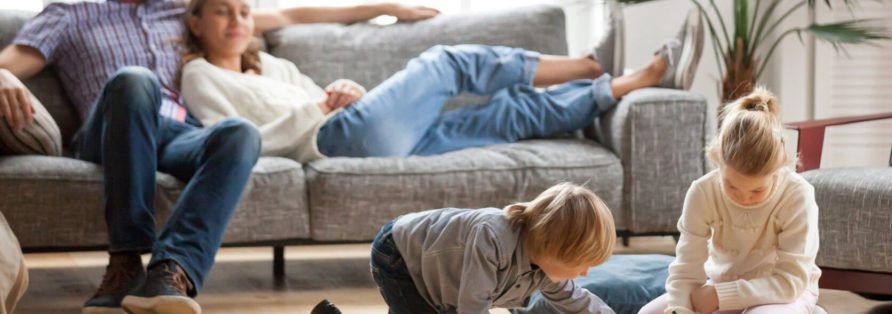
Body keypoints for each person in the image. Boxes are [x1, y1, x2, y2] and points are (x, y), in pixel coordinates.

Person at [0, 0, 438, 314]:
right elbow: (13, 61)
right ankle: (124, 261)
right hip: (110, 132)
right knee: (135, 80)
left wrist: (387, 7)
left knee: (238, 132)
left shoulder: (179, 10)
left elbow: (289, 17)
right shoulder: (70, 12)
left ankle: (171, 274)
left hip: (174, 134)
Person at [178, 0, 691, 163]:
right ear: (196, 22)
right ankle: (585, 64)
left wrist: (343, 92)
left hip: (360, 131)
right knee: (446, 62)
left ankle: (621, 84)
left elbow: (318, 91)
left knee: (509, 113)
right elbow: (238, 143)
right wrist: (320, 110)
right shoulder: (199, 75)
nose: (237, 20)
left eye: (244, 10)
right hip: (335, 138)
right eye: (222, 11)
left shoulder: (272, 66)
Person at [305, 183, 685, 314]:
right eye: (579, 263)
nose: (584, 274)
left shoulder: (545, 267)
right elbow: (473, 303)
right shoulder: (492, 236)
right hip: (401, 257)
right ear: (551, 246)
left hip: (441, 280)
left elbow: (588, 309)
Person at [633, 88, 829, 314]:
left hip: (784, 293)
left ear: (781, 167)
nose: (744, 199)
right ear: (717, 159)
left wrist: (719, 296)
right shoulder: (702, 191)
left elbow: (790, 282)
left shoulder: (798, 194)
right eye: (732, 187)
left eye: (757, 191)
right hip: (722, 287)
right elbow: (686, 270)